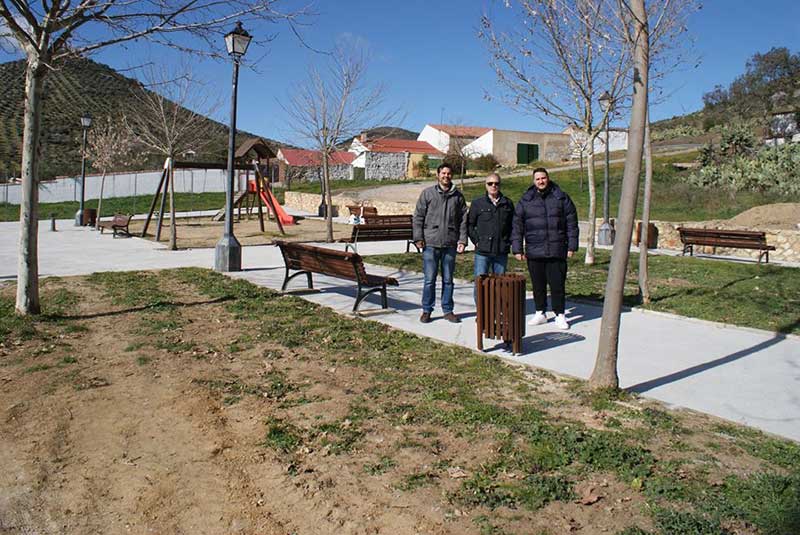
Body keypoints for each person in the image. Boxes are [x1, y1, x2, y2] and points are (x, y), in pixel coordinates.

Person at [511, 167, 579, 330]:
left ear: (548, 178)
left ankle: (560, 314)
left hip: (557, 249)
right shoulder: (526, 200)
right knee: (538, 284)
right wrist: (517, 248)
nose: (541, 181)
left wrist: (572, 245)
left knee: (557, 285)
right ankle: (540, 312)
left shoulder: (561, 197)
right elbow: (517, 225)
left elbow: (571, 223)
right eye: (537, 179)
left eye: (543, 178)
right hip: (535, 251)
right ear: (533, 181)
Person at [413, 163, 468, 323]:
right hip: (430, 243)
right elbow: (418, 217)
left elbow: (463, 219)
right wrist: (418, 238)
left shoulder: (458, 196)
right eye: (443, 173)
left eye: (449, 173)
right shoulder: (427, 194)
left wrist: (462, 240)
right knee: (429, 279)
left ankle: (448, 310)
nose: (446, 176)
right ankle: (427, 309)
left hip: (450, 243)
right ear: (438, 175)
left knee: (448, 280)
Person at [467, 172, 514, 301]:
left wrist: (509, 242)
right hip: (483, 251)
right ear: (485, 185)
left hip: (501, 251)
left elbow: (513, 226)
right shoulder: (478, 203)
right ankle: (482, 313)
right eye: (490, 183)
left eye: (496, 183)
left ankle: (497, 311)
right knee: (480, 283)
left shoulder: (507, 204)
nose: (493, 186)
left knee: (499, 284)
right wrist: (476, 241)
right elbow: (469, 225)